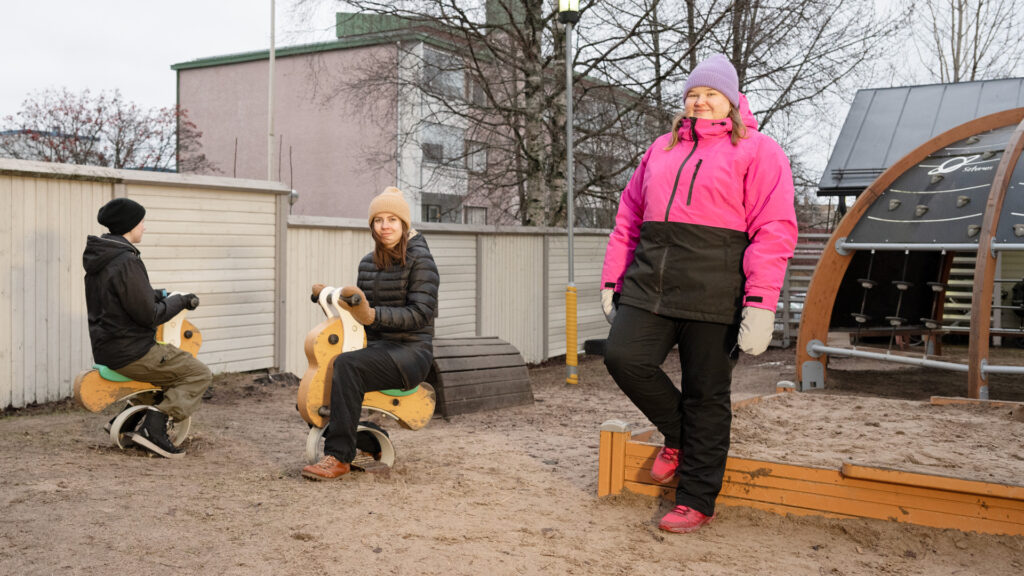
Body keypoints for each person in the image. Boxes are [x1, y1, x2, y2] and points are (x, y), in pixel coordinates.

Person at [600, 54, 798, 533]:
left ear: (731, 101)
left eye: (711, 94)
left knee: (707, 394)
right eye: (693, 94)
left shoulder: (759, 150)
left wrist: (761, 302)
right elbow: (629, 218)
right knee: (623, 357)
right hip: (652, 282)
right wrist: (613, 278)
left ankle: (696, 498)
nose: (701, 101)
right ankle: (680, 434)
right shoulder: (660, 149)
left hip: (717, 289)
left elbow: (774, 228)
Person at [302, 187, 440, 481]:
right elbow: (361, 313)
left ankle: (338, 457)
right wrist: (336, 300)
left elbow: (421, 313)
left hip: (411, 352)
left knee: (348, 366)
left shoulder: (421, 262)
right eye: (378, 220)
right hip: (378, 347)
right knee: (329, 363)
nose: (385, 226)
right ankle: (364, 443)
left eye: (392, 219)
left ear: (404, 224)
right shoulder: (368, 263)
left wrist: (372, 314)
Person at [83, 197, 211, 459]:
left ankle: (128, 421)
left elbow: (124, 296)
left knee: (167, 373)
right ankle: (153, 429)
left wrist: (160, 292)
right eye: (142, 222)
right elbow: (149, 315)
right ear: (130, 225)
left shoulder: (102, 258)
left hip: (108, 348)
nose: (144, 227)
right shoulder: (126, 260)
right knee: (197, 374)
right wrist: (180, 300)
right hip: (132, 350)